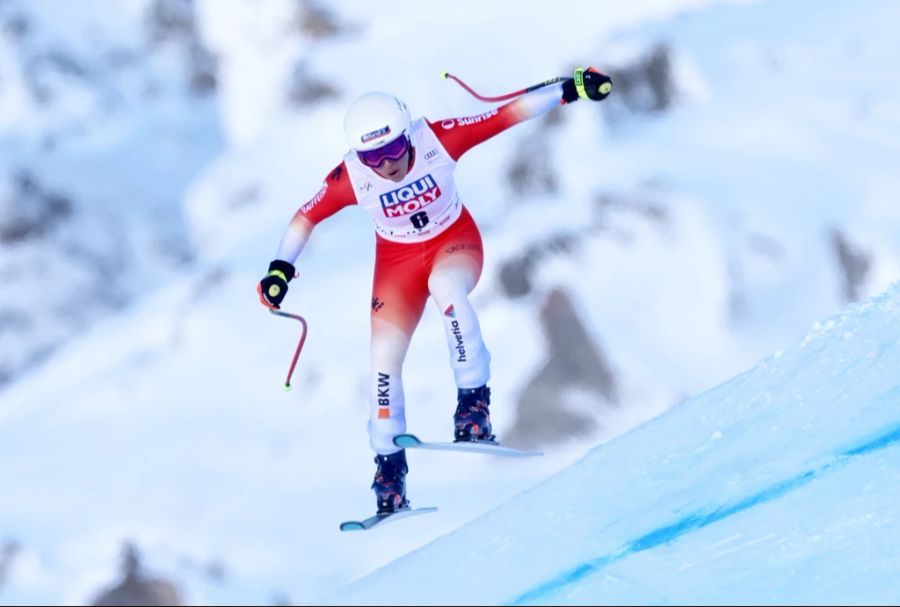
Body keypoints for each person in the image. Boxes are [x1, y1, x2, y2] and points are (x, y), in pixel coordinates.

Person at [257, 67, 612, 514]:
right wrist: (279, 271)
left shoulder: (437, 140)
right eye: (372, 158)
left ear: (407, 134)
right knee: (384, 361)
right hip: (397, 264)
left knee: (449, 291)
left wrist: (571, 89)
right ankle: (389, 471)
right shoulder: (352, 176)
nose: (386, 165)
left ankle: (473, 408)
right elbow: (304, 217)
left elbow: (505, 115)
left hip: (453, 243)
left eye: (391, 149)